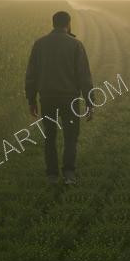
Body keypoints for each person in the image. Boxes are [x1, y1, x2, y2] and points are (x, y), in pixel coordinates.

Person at [24, 10, 92, 185]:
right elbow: (84, 76)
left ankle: (52, 175)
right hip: (70, 99)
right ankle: (69, 173)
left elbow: (31, 74)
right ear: (68, 24)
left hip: (47, 98)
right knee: (70, 136)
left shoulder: (39, 44)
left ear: (53, 24)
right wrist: (90, 103)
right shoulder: (76, 45)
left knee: (50, 136)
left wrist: (31, 99)